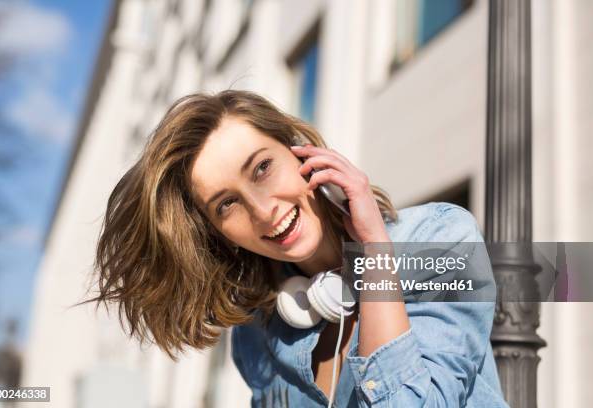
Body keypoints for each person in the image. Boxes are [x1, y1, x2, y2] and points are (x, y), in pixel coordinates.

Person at [88, 90, 509, 407]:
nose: (264, 211)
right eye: (227, 204)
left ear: (299, 151)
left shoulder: (441, 239)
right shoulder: (258, 330)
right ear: (218, 232)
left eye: (262, 168)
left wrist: (376, 251)